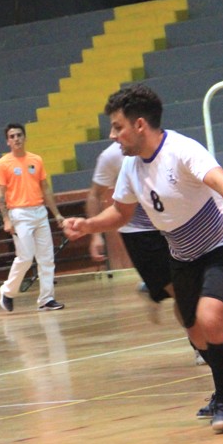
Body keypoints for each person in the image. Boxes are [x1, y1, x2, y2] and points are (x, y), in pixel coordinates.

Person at [64, 85, 223, 433]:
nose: (113, 136)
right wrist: (89, 226)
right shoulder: (131, 168)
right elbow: (120, 213)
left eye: (118, 127)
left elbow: (219, 178)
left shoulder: (181, 150)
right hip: (183, 255)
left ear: (140, 125)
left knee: (210, 317)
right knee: (193, 329)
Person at [87, 142, 205, 365]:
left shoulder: (163, 147)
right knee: (183, 292)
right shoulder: (111, 157)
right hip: (139, 234)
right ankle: (200, 347)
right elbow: (94, 195)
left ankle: (154, 291)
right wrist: (94, 235)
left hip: (168, 225)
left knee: (192, 287)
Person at [0, 122, 65, 313]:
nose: (16, 139)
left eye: (19, 135)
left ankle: (46, 299)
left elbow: (45, 188)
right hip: (19, 214)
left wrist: (56, 213)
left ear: (25, 137)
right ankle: (7, 292)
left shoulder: (36, 160)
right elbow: (0, 194)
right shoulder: (3, 164)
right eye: (12, 136)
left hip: (39, 212)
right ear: (8, 141)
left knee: (47, 257)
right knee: (25, 257)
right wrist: (6, 219)